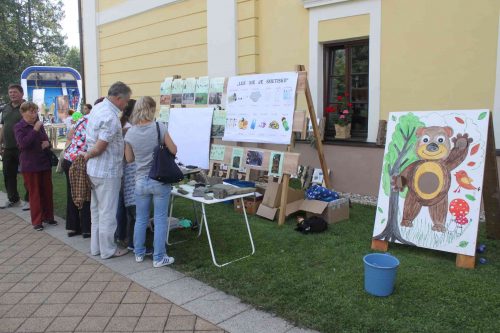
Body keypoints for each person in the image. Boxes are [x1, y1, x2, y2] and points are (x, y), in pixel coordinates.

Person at [124, 96, 177, 268]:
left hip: (140, 181)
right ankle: (159, 257)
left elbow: (129, 159)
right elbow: (174, 149)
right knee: (161, 219)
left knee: (141, 218)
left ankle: (139, 253)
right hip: (159, 179)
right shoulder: (159, 127)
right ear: (151, 109)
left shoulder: (130, 132)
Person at [84, 82, 131, 259]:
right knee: (107, 213)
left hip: (95, 170)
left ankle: (96, 247)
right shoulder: (111, 118)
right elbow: (99, 147)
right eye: (125, 101)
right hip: (107, 170)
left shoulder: (98, 108)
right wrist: (87, 155)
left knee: (96, 210)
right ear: (118, 98)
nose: (126, 105)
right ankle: (108, 250)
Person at [14, 102, 56, 231]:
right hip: (30, 165)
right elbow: (23, 144)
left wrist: (47, 143)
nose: (34, 114)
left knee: (47, 191)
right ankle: (37, 221)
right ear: (23, 113)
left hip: (43, 162)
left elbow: (46, 140)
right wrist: (35, 130)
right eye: (31, 112)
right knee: (35, 193)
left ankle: (48, 216)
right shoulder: (19, 127)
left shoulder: (39, 125)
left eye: (35, 111)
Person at [62, 110, 91, 238]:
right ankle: (86, 229)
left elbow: (69, 136)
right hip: (80, 160)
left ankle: (73, 227)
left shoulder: (81, 119)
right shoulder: (96, 121)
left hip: (69, 159)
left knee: (72, 193)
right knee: (85, 194)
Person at [0, 84, 29, 210]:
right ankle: (13, 199)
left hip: (23, 147)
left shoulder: (27, 107)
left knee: (27, 174)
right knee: (8, 174)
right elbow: (3, 127)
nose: (12, 94)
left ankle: (29, 200)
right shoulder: (5, 108)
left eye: (15, 92)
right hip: (8, 148)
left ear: (21, 94)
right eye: (10, 92)